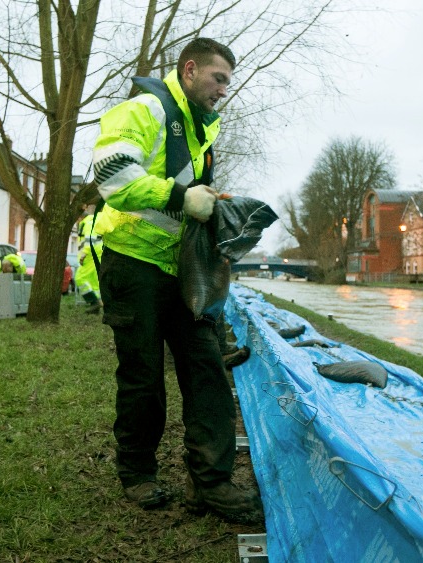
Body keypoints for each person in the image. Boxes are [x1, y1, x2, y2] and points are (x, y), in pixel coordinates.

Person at [91, 37, 261, 522]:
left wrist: (209, 199)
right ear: (190, 70)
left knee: (207, 370)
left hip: (182, 271)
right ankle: (138, 474)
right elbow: (112, 175)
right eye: (219, 78)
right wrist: (183, 197)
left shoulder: (203, 126)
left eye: (228, 81)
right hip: (133, 264)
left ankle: (210, 484)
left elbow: (183, 187)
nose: (224, 90)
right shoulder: (144, 109)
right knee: (143, 377)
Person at [75, 213, 104, 314]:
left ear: (80, 217)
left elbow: (89, 240)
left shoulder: (88, 223)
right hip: (96, 254)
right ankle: (95, 308)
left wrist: (84, 254)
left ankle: (94, 302)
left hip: (90, 255)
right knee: (93, 282)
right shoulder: (93, 221)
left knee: (80, 278)